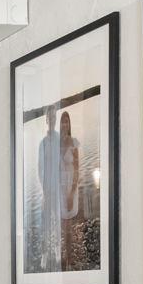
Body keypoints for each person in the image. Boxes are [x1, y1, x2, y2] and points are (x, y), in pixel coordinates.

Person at [34, 109, 64, 271]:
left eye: (53, 116)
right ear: (46, 120)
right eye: (49, 117)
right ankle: (45, 253)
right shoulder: (42, 143)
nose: (51, 119)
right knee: (45, 223)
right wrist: (44, 191)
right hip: (46, 190)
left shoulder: (60, 139)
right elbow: (40, 168)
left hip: (58, 188)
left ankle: (57, 251)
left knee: (57, 220)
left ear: (55, 118)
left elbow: (63, 165)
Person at [56, 111, 85, 268]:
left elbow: (77, 170)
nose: (64, 124)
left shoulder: (74, 143)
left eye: (66, 122)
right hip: (59, 186)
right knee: (62, 224)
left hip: (70, 187)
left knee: (68, 224)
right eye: (62, 122)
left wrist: (71, 193)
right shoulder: (56, 144)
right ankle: (65, 256)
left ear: (69, 124)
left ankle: (69, 258)